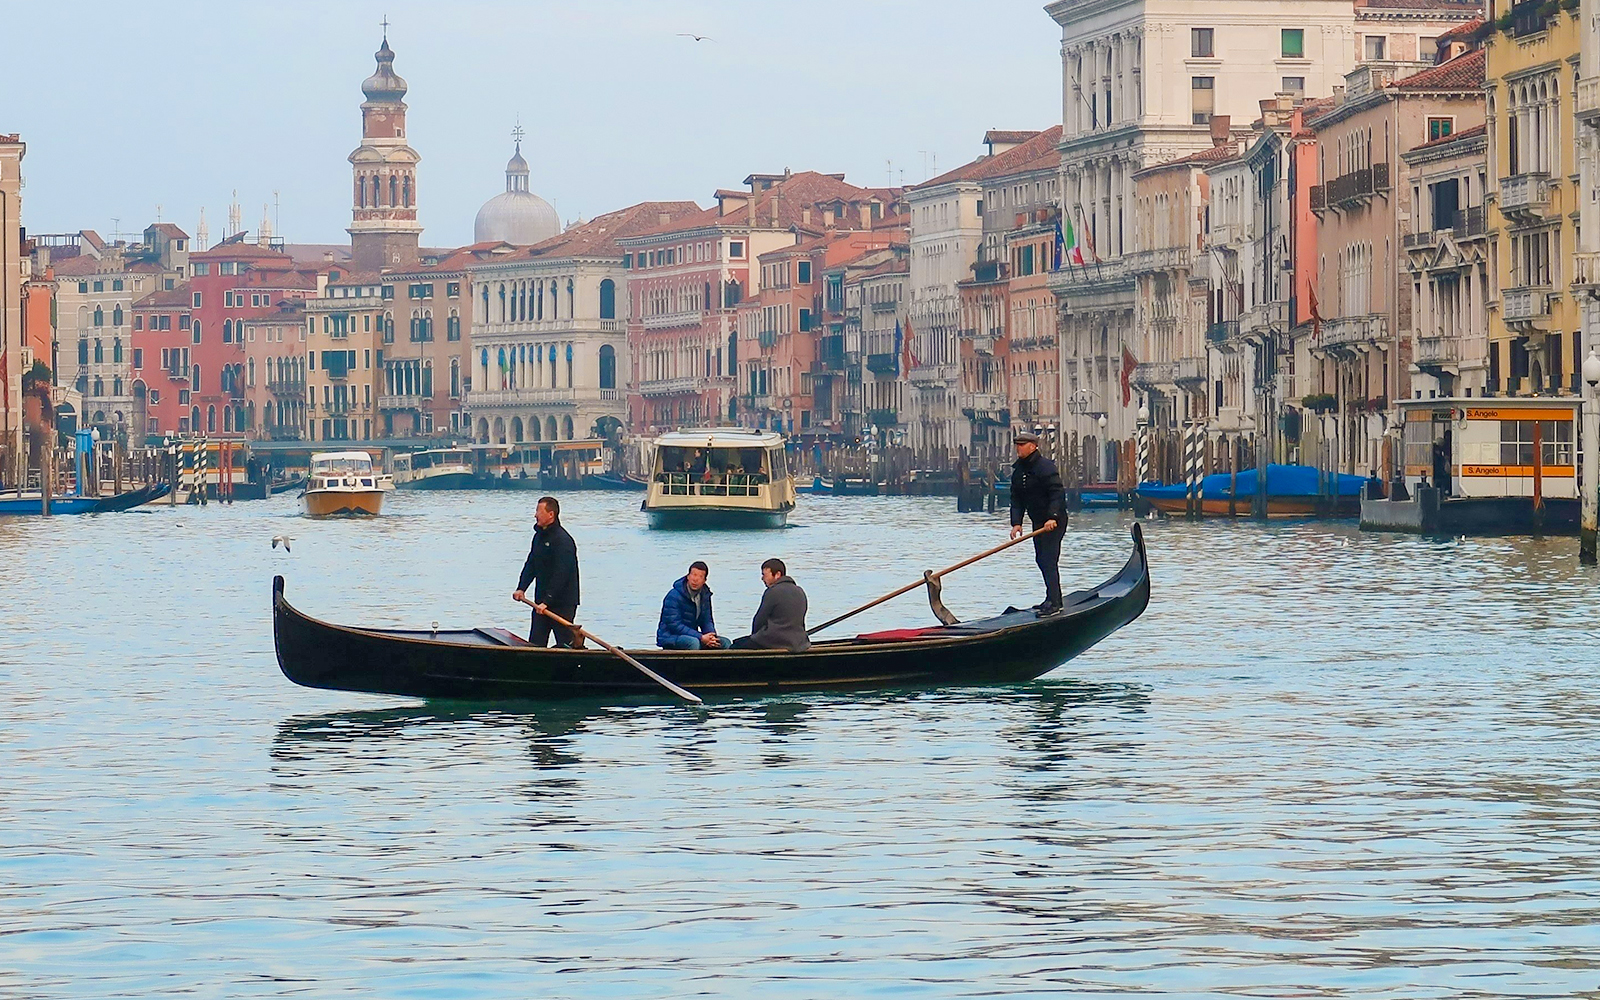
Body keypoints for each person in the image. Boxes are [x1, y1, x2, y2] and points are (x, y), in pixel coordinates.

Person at [1009, 430, 1066, 616]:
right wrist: (1016, 523)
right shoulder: (1018, 471)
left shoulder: (1045, 467)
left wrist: (1053, 517)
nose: (1018, 448)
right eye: (1017, 444)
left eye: (1022, 444)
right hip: (1038, 522)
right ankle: (1051, 598)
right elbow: (1017, 499)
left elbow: (1056, 493)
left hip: (1054, 522)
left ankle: (1055, 603)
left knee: (1049, 559)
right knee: (1041, 559)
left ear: (1033, 446)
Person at [512, 496, 582, 647]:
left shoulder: (563, 541)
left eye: (538, 511)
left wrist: (547, 601)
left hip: (562, 603)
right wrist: (521, 588)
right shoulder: (538, 537)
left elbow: (561, 574)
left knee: (565, 644)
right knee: (535, 643)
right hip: (541, 604)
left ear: (551, 514)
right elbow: (531, 564)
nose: (535, 514)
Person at [732, 558, 810, 651]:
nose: (762, 579)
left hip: (774, 640)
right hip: (799, 641)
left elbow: (759, 619)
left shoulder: (772, 591)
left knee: (736, 645)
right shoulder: (800, 591)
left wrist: (755, 637)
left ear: (777, 575)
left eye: (764, 575)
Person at [656, 560, 726, 650]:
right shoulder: (673, 596)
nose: (695, 579)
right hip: (671, 637)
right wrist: (701, 637)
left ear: (704, 580)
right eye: (693, 574)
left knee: (724, 642)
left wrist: (711, 636)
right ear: (688, 576)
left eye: (700, 576)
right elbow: (674, 625)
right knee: (693, 643)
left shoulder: (705, 596)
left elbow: (707, 620)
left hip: (693, 635)